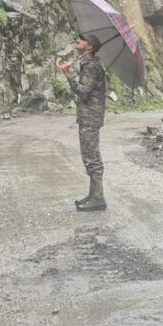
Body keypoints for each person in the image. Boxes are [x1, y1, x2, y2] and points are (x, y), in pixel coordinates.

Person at [57, 36, 107, 212]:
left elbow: (84, 92)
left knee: (91, 155)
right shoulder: (88, 64)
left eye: (83, 39)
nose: (78, 39)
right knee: (88, 154)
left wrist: (68, 75)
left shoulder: (91, 66)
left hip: (90, 117)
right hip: (89, 116)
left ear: (90, 46)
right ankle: (93, 194)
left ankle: (98, 198)